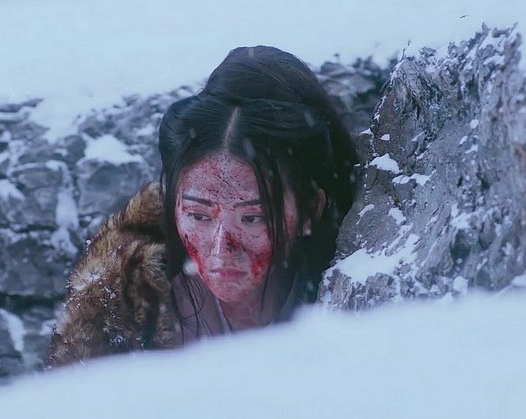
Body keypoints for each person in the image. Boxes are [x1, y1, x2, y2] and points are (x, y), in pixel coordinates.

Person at [45, 45, 358, 367]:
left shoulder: (359, 295)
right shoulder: (123, 312)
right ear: (172, 202)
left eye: (252, 217)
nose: (222, 249)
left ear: (310, 210)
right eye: (198, 215)